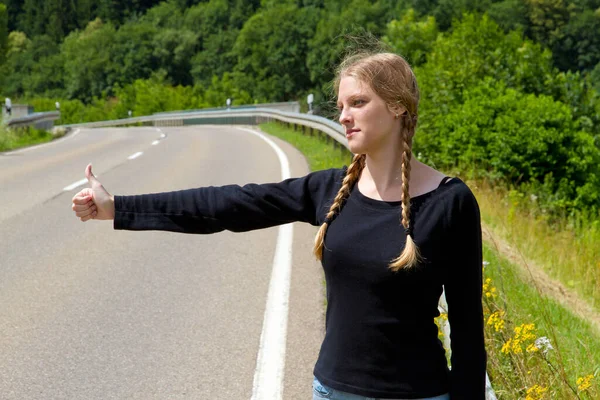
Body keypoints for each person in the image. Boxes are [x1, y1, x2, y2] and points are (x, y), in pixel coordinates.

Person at [72, 51, 486, 399]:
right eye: (340, 105)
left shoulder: (450, 203)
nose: (343, 116)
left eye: (357, 103)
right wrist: (118, 209)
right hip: (332, 391)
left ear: (397, 105)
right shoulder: (329, 191)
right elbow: (227, 205)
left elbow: (467, 331)